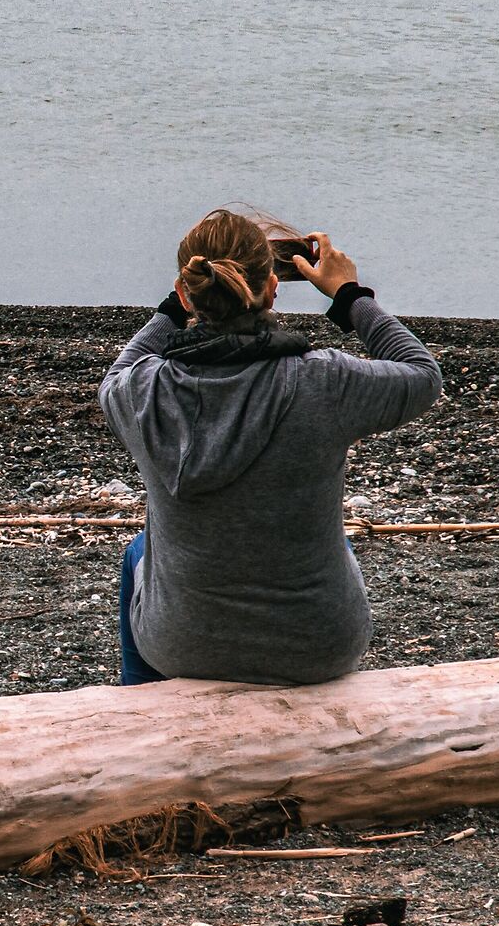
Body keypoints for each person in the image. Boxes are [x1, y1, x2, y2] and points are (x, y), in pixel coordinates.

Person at [100, 209, 441, 686]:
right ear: (272, 289)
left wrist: (178, 307)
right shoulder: (325, 379)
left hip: (182, 647)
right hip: (316, 647)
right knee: (333, 539)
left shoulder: (141, 392)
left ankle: (138, 699)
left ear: (186, 291)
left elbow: (121, 368)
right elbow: (423, 374)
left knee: (142, 551)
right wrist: (349, 296)